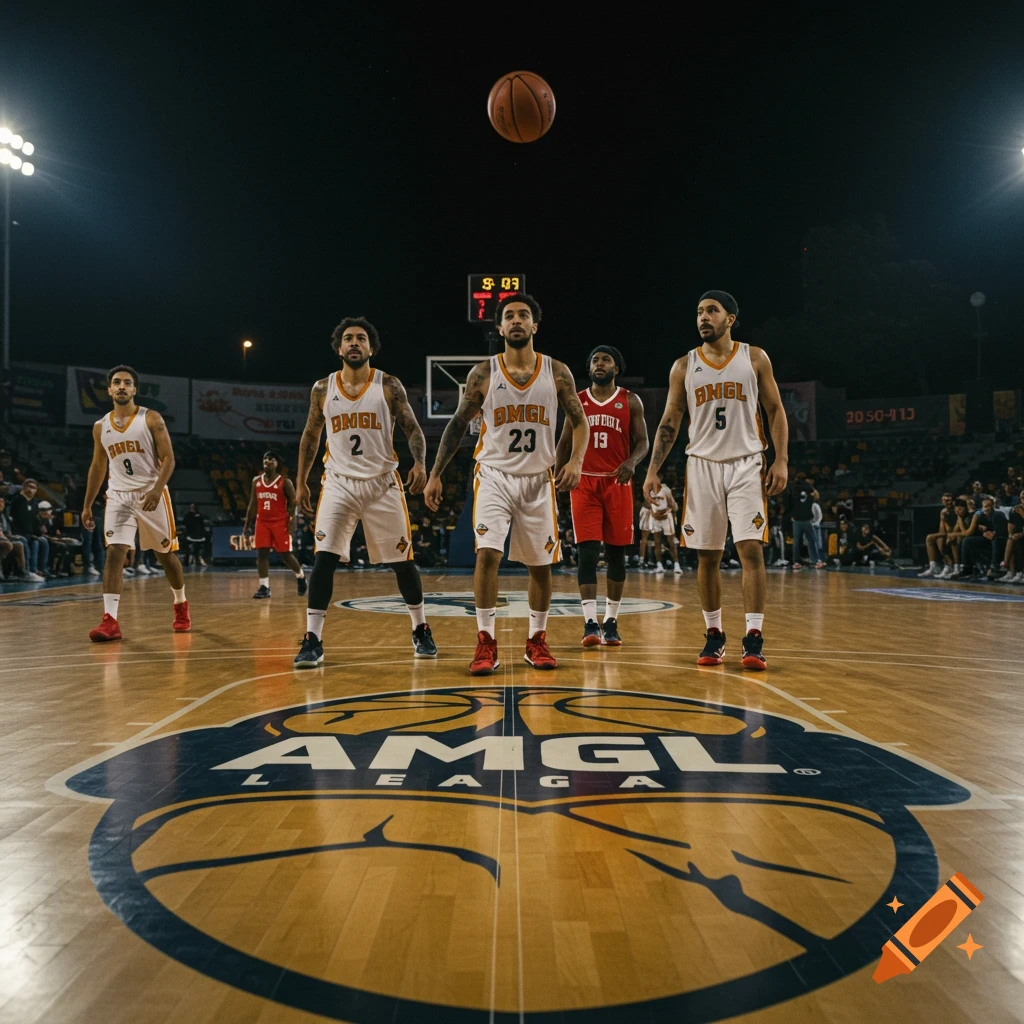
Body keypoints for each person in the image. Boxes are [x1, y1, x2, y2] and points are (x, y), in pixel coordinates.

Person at [423, 292, 589, 674]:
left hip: (538, 477)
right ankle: (486, 642)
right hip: (494, 474)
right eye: (509, 316)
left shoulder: (558, 371)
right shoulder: (483, 373)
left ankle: (536, 640)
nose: (516, 320)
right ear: (499, 328)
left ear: (535, 325)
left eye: (523, 315)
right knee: (487, 555)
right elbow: (458, 424)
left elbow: (580, 421)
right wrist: (435, 474)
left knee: (541, 566)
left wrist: (576, 462)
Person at [643, 289, 788, 671]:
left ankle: (754, 638)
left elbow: (775, 409)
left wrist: (781, 459)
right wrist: (653, 468)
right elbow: (671, 419)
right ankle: (714, 634)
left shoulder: (753, 357)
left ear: (731, 319)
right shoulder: (684, 365)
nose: (703, 317)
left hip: (746, 463)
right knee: (707, 555)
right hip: (702, 465)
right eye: (699, 312)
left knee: (750, 551)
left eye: (712, 311)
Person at [292, 317, 436, 667]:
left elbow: (412, 428)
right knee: (324, 558)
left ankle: (420, 628)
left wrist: (419, 463)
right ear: (338, 348)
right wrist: (300, 482)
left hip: (382, 482)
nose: (354, 343)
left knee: (403, 563)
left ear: (371, 348)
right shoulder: (322, 389)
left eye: (361, 338)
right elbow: (311, 436)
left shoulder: (388, 385)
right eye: (347, 339)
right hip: (338, 482)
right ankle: (313, 638)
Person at [81, 365, 191, 640]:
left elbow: (169, 459)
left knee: (165, 556)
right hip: (118, 495)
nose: (121, 386)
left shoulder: (151, 419)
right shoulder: (100, 427)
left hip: (150, 493)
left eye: (127, 383)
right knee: (115, 552)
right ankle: (110, 621)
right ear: (109, 389)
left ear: (134, 389)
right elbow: (97, 466)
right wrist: (87, 504)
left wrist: (157, 490)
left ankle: (180, 604)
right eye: (116, 382)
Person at [554, 344, 649, 647]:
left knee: (617, 554)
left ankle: (611, 621)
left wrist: (632, 462)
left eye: (606, 359)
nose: (599, 363)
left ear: (616, 368)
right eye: (594, 359)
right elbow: (564, 444)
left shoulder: (630, 401)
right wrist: (557, 474)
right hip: (584, 483)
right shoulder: (577, 401)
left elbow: (643, 441)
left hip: (616, 482)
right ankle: (589, 623)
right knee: (587, 553)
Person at [243, 452, 307, 598]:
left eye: (271, 459)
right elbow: (253, 503)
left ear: (277, 464)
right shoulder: (256, 481)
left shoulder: (285, 482)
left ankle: (300, 576)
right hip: (262, 521)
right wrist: (247, 524)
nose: (267, 461)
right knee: (261, 554)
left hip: (280, 522)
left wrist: (292, 521)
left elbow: (293, 503)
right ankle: (264, 587)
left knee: (285, 555)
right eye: (265, 458)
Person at [639, 480, 682, 574]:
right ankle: (659, 565)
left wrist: (665, 514)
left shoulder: (666, 490)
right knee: (657, 542)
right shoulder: (648, 490)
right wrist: (654, 513)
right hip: (655, 518)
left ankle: (677, 565)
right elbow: (648, 504)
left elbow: (673, 506)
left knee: (671, 542)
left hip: (666, 517)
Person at [789, 477, 824, 568]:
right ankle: (816, 561)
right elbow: (817, 496)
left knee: (797, 542)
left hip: (797, 519)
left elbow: (790, 503)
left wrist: (792, 515)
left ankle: (796, 562)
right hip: (806, 519)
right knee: (812, 541)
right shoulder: (809, 491)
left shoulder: (795, 491)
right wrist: (811, 486)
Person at [919, 492, 954, 577]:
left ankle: (949, 565)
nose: (946, 502)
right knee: (930, 538)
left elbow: (954, 529)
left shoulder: (957, 510)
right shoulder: (943, 512)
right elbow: (941, 531)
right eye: (944, 500)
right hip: (948, 534)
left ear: (953, 501)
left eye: (949, 500)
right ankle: (934, 567)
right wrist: (943, 520)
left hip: (957, 533)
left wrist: (946, 523)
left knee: (941, 539)